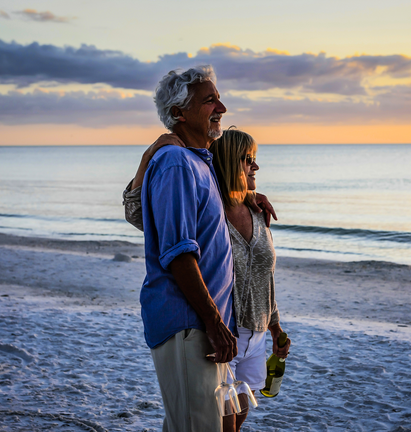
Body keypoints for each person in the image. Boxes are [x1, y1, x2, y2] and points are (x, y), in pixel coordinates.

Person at [124, 127, 291, 432]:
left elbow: (263, 276)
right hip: (222, 330)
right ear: (228, 162)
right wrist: (148, 156)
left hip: (256, 334)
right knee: (208, 422)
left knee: (233, 419)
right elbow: (140, 213)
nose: (255, 166)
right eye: (248, 159)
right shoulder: (208, 211)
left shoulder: (256, 212)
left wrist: (275, 326)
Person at [136, 65, 237, 432]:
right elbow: (178, 254)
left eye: (219, 98)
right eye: (210, 100)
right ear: (179, 113)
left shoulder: (196, 162)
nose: (222, 107)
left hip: (204, 326)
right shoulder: (176, 163)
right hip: (190, 325)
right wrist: (213, 321)